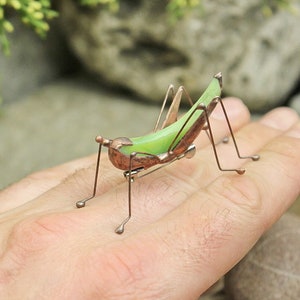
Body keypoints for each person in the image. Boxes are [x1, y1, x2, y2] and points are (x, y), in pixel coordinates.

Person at [0, 98, 299, 299]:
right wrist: (90, 195)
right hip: (157, 153)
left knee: (195, 105)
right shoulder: (123, 158)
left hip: (172, 151)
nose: (113, 154)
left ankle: (231, 158)